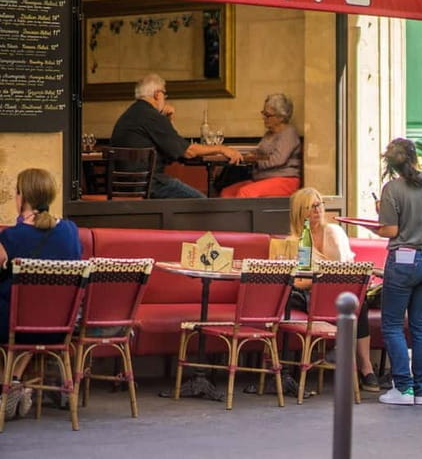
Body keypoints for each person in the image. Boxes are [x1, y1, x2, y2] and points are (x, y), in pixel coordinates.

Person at [0, 169, 83, 419]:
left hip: (15, 325)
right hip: (60, 326)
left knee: (14, 313)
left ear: (21, 197)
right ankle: (13, 383)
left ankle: (9, 385)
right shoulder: (70, 230)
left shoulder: (11, 237)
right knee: (25, 316)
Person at [285, 188, 381, 392]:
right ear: (300, 212)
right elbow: (296, 276)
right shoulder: (296, 240)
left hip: (338, 291)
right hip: (309, 293)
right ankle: (281, 370)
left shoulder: (333, 232)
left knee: (357, 302)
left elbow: (340, 269)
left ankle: (366, 368)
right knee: (284, 298)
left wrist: (311, 278)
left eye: (319, 204)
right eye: (311, 206)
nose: (317, 210)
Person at [372, 138, 422, 406]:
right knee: (420, 325)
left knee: (392, 325)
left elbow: (390, 230)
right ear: (415, 158)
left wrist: (380, 219)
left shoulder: (392, 188)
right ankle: (421, 390)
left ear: (391, 164)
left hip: (403, 261)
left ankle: (403, 388)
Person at [110, 73, 243, 199]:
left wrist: (168, 119)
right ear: (157, 94)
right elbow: (187, 151)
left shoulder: (132, 113)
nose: (165, 99)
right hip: (148, 185)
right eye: (164, 94)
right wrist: (221, 148)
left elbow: (171, 147)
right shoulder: (152, 116)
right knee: (203, 204)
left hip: (124, 185)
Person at [219, 93, 301, 198]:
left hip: (285, 180)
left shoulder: (288, 133)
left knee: (245, 193)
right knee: (227, 193)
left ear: (281, 117)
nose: (263, 118)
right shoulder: (269, 134)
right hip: (263, 178)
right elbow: (259, 152)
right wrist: (252, 155)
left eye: (267, 115)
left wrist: (254, 160)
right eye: (263, 113)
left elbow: (277, 160)